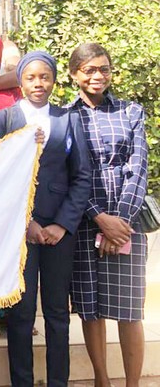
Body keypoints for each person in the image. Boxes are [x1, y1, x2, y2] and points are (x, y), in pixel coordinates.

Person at [0, 52, 92, 386]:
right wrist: (25, 222)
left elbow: (82, 175)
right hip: (20, 231)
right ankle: (22, 381)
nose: (38, 83)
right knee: (20, 313)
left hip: (59, 231)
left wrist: (62, 224)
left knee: (58, 313)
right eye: (31, 77)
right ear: (20, 82)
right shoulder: (5, 118)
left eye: (45, 77)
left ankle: (58, 381)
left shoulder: (68, 118)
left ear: (54, 80)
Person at [66, 43, 149, 387]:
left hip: (126, 223)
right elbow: (66, 172)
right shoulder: (65, 116)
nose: (97, 76)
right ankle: (102, 380)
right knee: (91, 307)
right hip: (85, 222)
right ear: (74, 76)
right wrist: (99, 218)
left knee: (130, 310)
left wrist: (120, 223)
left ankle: (133, 383)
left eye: (103, 69)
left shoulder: (131, 111)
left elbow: (139, 167)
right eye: (89, 70)